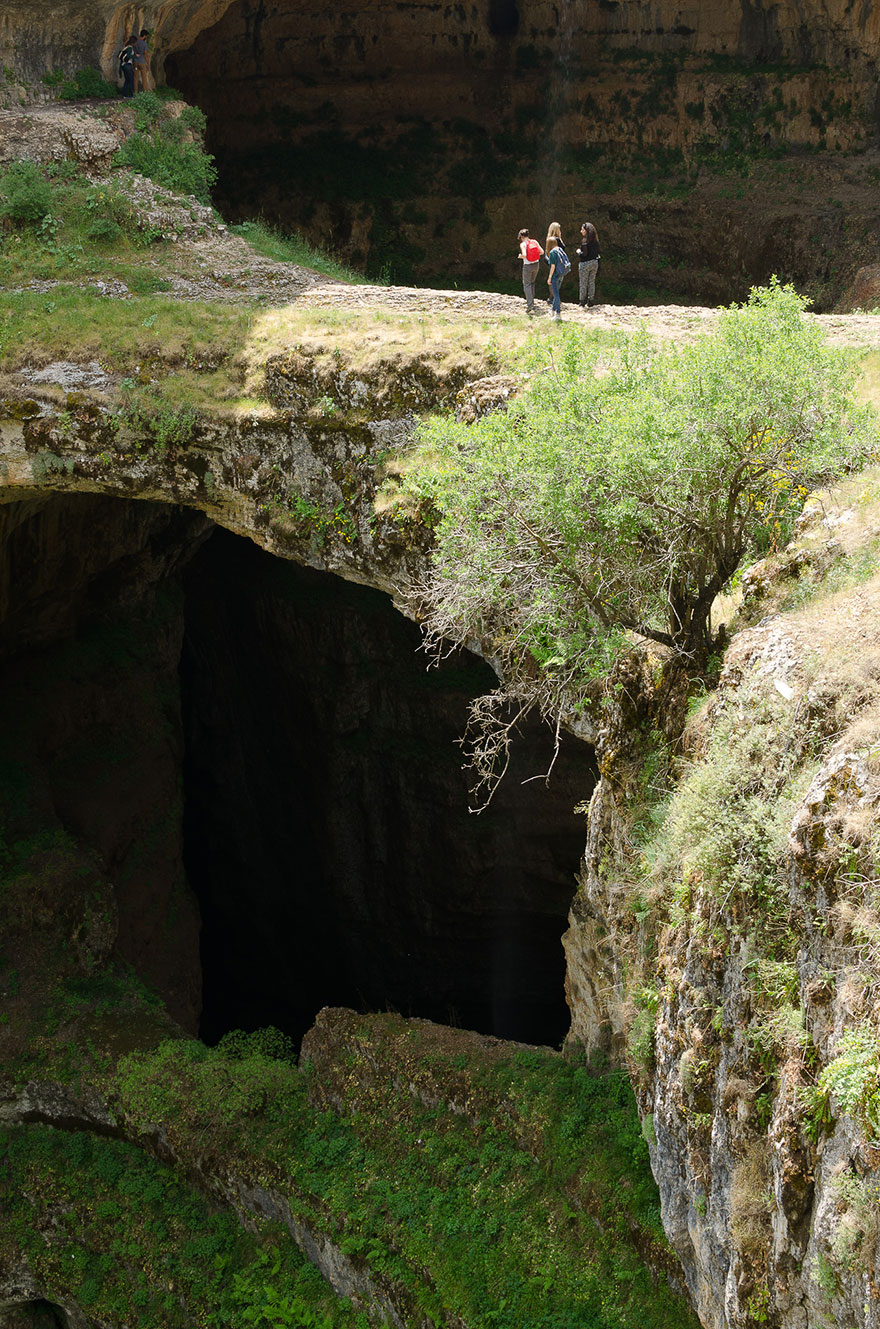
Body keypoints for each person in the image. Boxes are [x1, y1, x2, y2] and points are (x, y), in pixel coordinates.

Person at [517, 228, 543, 315]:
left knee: (526, 284)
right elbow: (542, 252)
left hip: (527, 266)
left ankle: (530, 305)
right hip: (536, 265)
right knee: (532, 283)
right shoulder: (534, 241)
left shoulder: (523, 244)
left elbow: (524, 255)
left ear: (521, 236)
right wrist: (534, 256)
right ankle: (532, 301)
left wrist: (520, 256)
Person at [545, 222, 567, 322]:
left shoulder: (550, 241)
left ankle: (556, 311)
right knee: (556, 290)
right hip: (560, 269)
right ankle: (554, 310)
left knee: (555, 291)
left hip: (554, 269)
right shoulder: (558, 244)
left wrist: (549, 277)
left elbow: (549, 260)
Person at [577, 221, 600, 307]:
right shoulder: (596, 241)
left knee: (583, 282)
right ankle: (591, 300)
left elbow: (584, 254)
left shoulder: (585, 241)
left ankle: (582, 301)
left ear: (586, 230)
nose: (581, 231)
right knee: (591, 281)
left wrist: (579, 252)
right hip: (594, 262)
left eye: (582, 229)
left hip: (585, 264)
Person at [133, 28, 150, 94]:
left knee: (135, 77)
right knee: (144, 78)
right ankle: (145, 92)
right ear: (145, 36)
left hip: (135, 62)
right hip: (142, 62)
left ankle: (135, 92)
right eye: (146, 36)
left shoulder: (135, 42)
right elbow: (146, 54)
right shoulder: (144, 44)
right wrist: (148, 64)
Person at [118, 35, 136, 99]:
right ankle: (131, 95)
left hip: (123, 65)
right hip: (127, 65)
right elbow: (128, 56)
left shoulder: (126, 47)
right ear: (133, 42)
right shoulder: (130, 48)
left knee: (127, 80)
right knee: (131, 80)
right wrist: (135, 56)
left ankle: (125, 95)